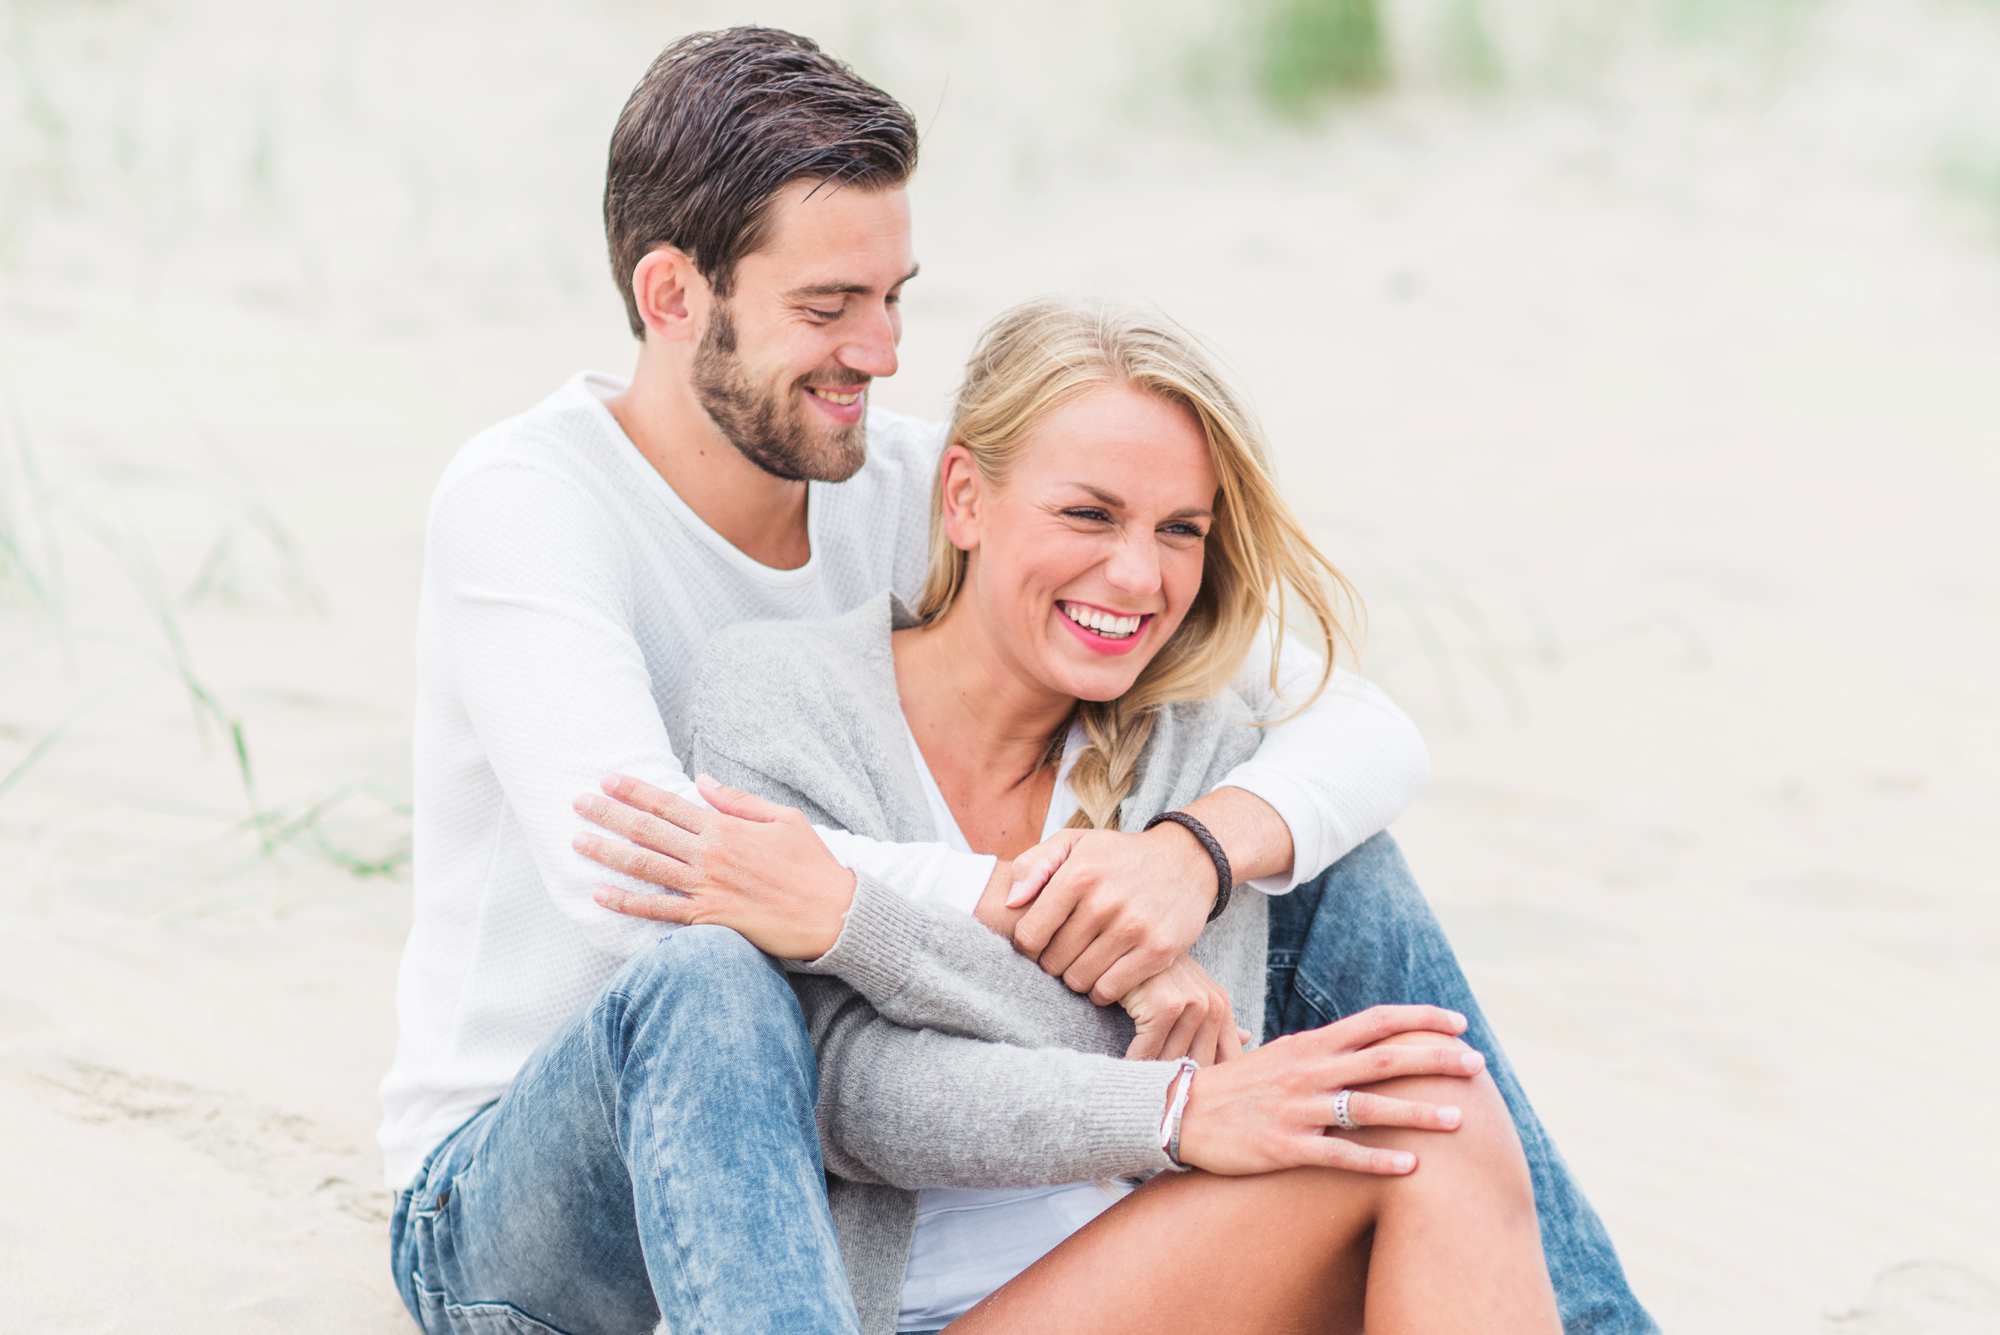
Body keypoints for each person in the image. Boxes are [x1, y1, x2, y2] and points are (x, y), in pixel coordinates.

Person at [381, 24, 1652, 1335]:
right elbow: (651, 886)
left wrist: (1188, 858)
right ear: (672, 296)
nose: (877, 353)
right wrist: (1050, 918)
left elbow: (1348, 724)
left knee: (1322, 862)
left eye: (894, 298)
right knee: (717, 975)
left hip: (843, 1191)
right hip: (531, 1187)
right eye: (828, 308)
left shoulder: (916, 477)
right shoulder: (531, 505)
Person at [582, 298, 1563, 1333]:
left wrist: (850, 920)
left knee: (1435, 1107)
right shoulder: (778, 697)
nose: (1138, 576)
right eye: (1088, 515)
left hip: (1159, 1281)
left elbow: (1199, 1064)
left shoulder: (1198, 755)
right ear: (963, 496)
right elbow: (845, 1097)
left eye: (1178, 531)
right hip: (915, 1308)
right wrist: (1167, 1102)